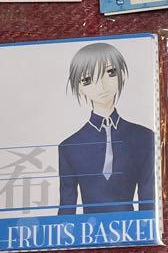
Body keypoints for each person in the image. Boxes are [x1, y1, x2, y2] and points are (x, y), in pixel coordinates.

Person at [58, 42, 155, 214]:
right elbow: (67, 208)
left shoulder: (144, 137)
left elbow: (149, 201)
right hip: (88, 228)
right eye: (88, 80)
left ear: (122, 74)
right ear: (79, 87)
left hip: (131, 227)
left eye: (110, 72)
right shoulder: (68, 147)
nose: (101, 86)